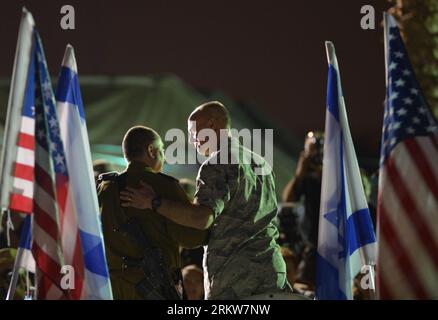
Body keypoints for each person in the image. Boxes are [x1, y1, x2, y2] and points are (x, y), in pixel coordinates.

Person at [120, 101, 289, 299]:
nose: (192, 141)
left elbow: (202, 218)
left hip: (235, 277)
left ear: (211, 124)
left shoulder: (216, 163)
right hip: (272, 270)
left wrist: (153, 202)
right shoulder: (260, 163)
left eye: (193, 133)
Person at [97, 126, 208, 300]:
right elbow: (192, 237)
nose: (163, 156)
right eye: (162, 150)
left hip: (112, 289)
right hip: (153, 289)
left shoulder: (105, 189)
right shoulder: (164, 185)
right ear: (151, 150)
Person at [282, 131, 324, 287]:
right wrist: (300, 173)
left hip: (333, 243)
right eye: (310, 152)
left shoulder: (336, 177)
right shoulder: (307, 178)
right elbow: (289, 199)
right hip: (311, 245)